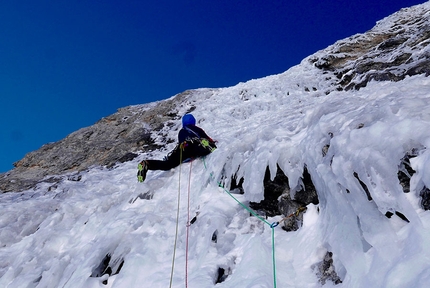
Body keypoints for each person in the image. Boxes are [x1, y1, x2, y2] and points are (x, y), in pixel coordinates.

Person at [137, 113, 217, 182]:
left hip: (181, 148)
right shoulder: (196, 129)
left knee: (168, 164)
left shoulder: (181, 132)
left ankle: (147, 164)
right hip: (194, 144)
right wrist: (211, 142)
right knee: (207, 149)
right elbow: (207, 138)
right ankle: (205, 145)